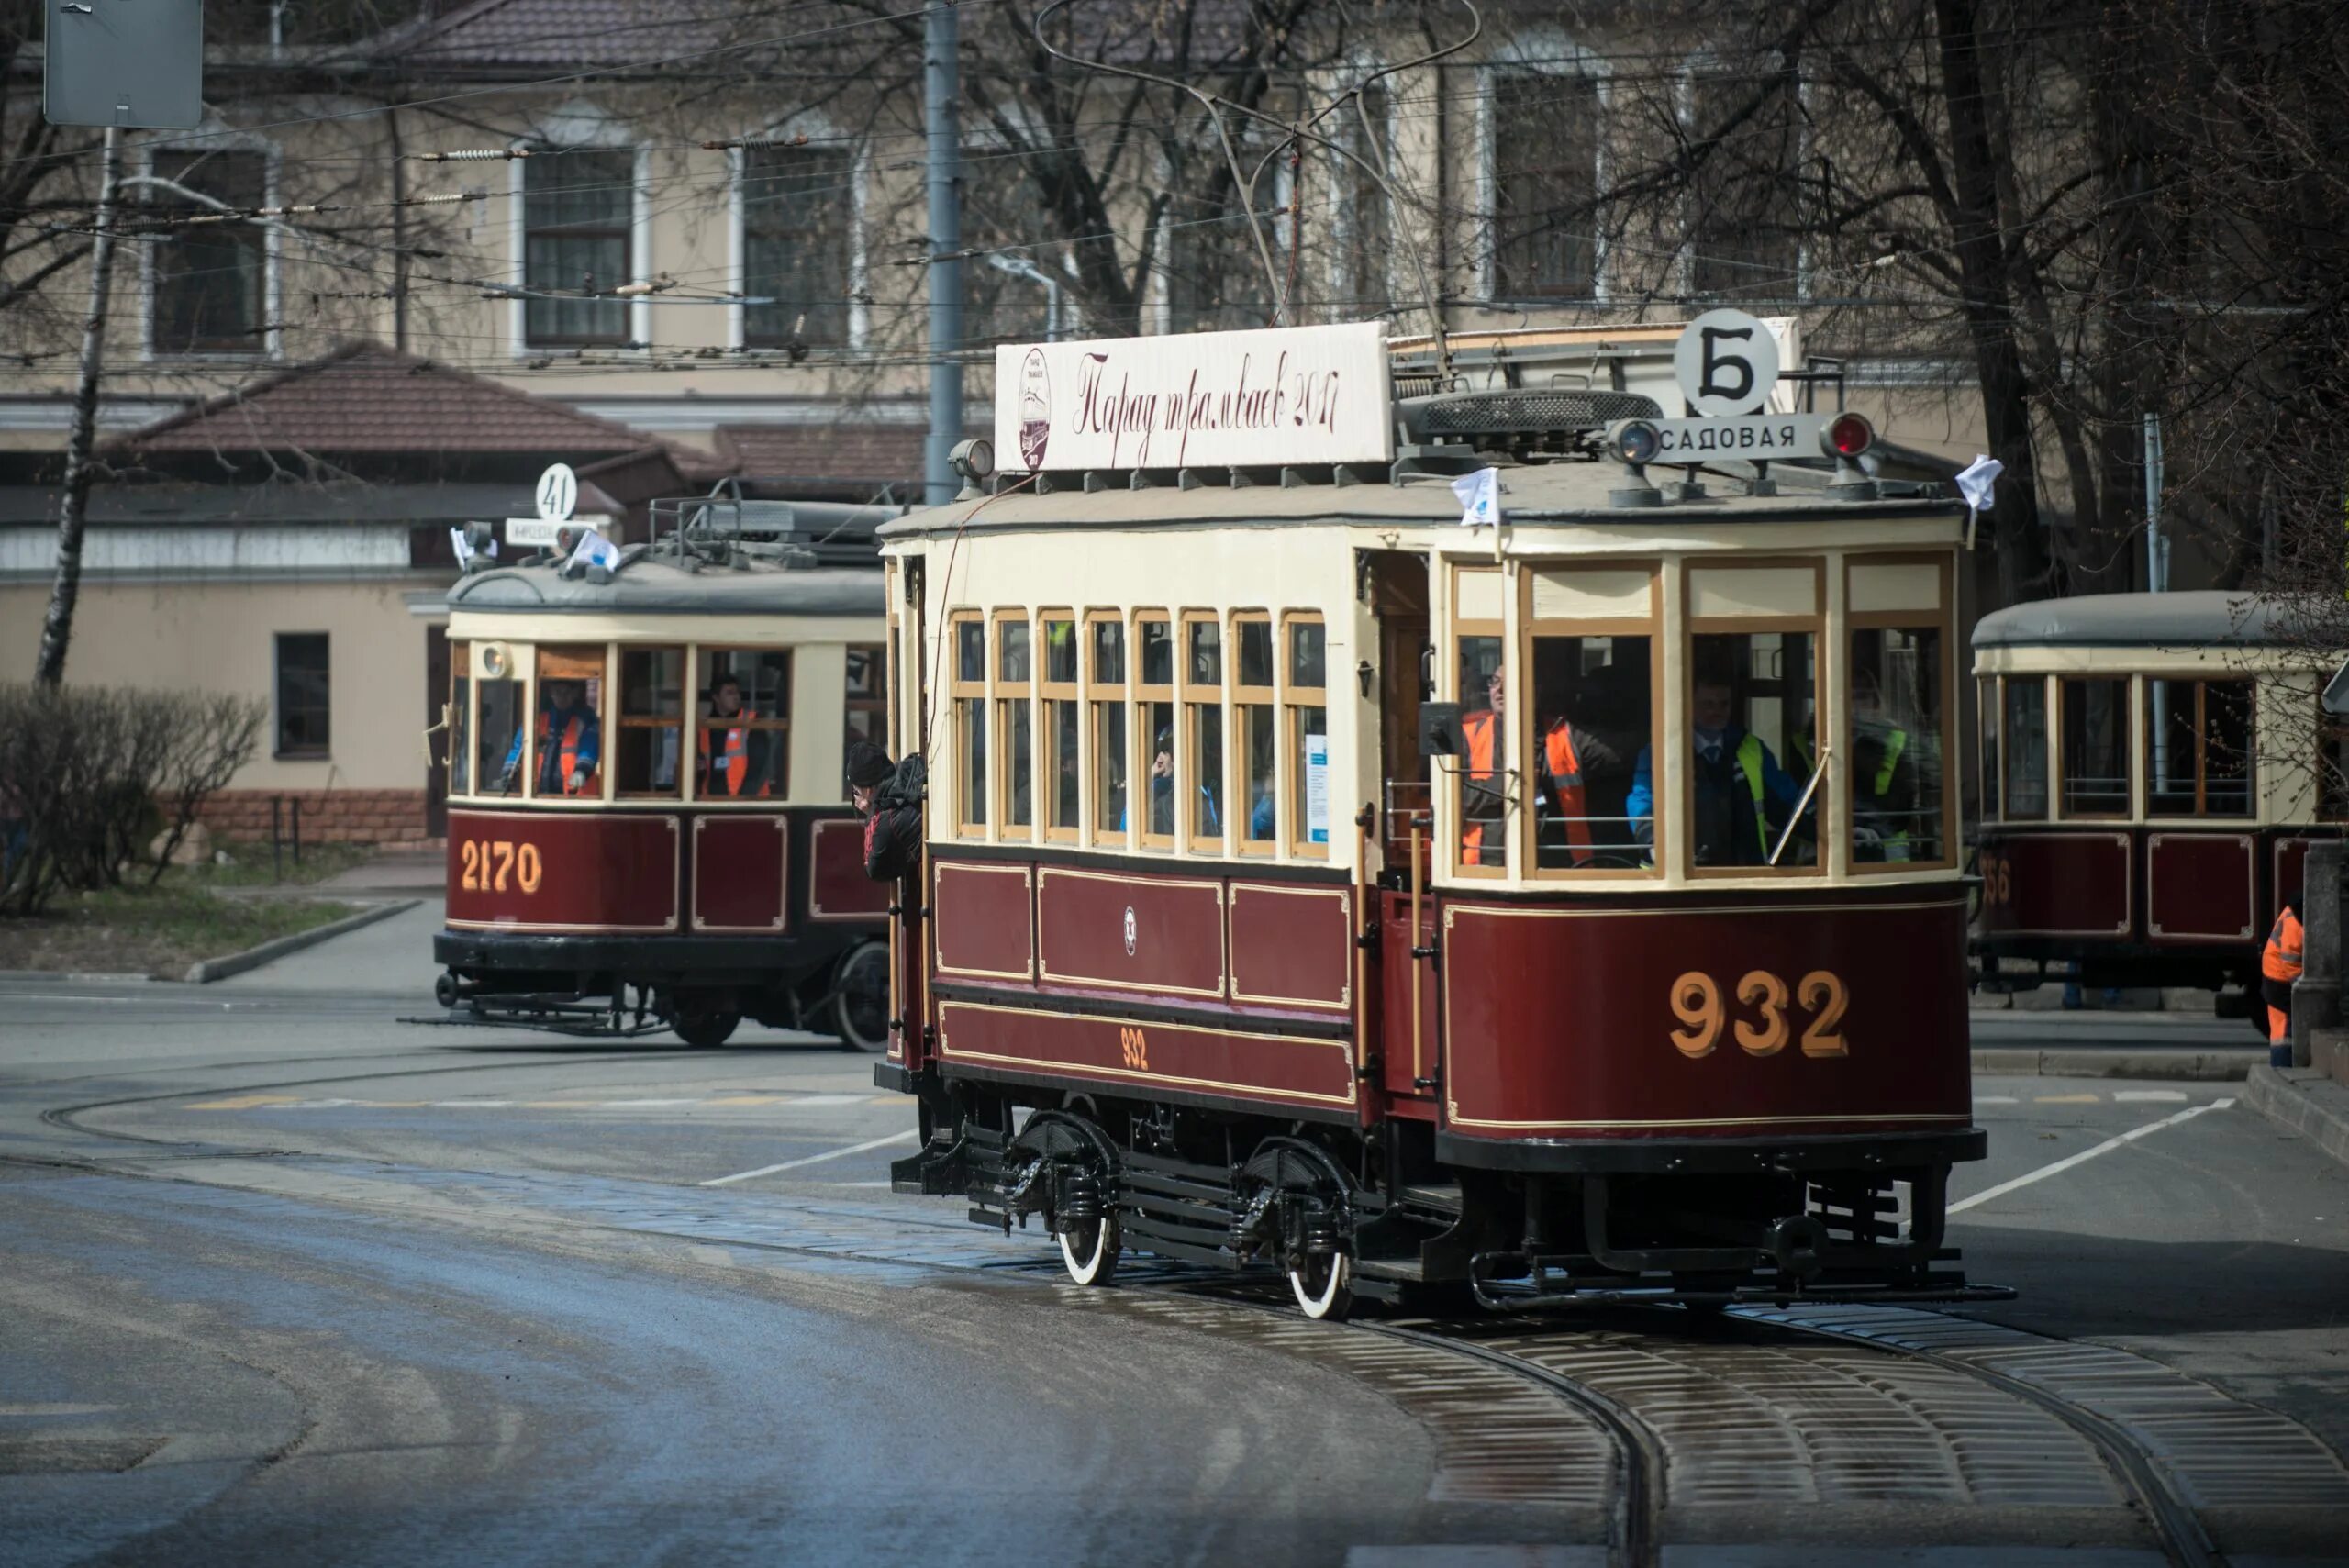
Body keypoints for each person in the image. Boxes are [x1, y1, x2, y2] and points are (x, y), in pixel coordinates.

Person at [1625, 671, 1810, 867]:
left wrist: (1826, 834)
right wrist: (1653, 841)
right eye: (1708, 704)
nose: (1717, 711)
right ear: (1689, 705)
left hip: (1744, 871)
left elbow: (1786, 801)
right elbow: (1643, 799)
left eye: (1724, 704)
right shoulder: (1662, 751)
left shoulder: (1750, 748)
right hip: (1683, 871)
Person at [501, 677, 599, 796]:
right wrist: (508, 771)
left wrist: (582, 770)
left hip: (575, 795)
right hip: (540, 793)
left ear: (575, 694)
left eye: (567, 692)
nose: (562, 697)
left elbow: (589, 747)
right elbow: (519, 747)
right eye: (557, 691)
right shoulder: (536, 718)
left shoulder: (586, 719)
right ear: (551, 693)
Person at [851, 740, 923, 881]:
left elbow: (873, 869)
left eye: (856, 790)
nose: (855, 794)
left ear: (868, 790)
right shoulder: (913, 767)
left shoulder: (887, 818)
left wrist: (871, 814)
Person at [698, 673, 772, 798]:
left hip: (747, 801)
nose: (736, 697)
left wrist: (743, 799)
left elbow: (759, 767)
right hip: (711, 800)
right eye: (729, 693)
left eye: (737, 692)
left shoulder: (751, 720)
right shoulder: (704, 727)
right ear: (716, 697)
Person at [2263, 902, 2303, 1067]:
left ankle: (2281, 1066)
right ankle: (2282, 1068)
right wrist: (2301, 987)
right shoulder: (2297, 919)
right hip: (2279, 980)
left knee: (2282, 1031)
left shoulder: (2298, 912)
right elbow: (2291, 961)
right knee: (2284, 1033)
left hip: (2276, 974)